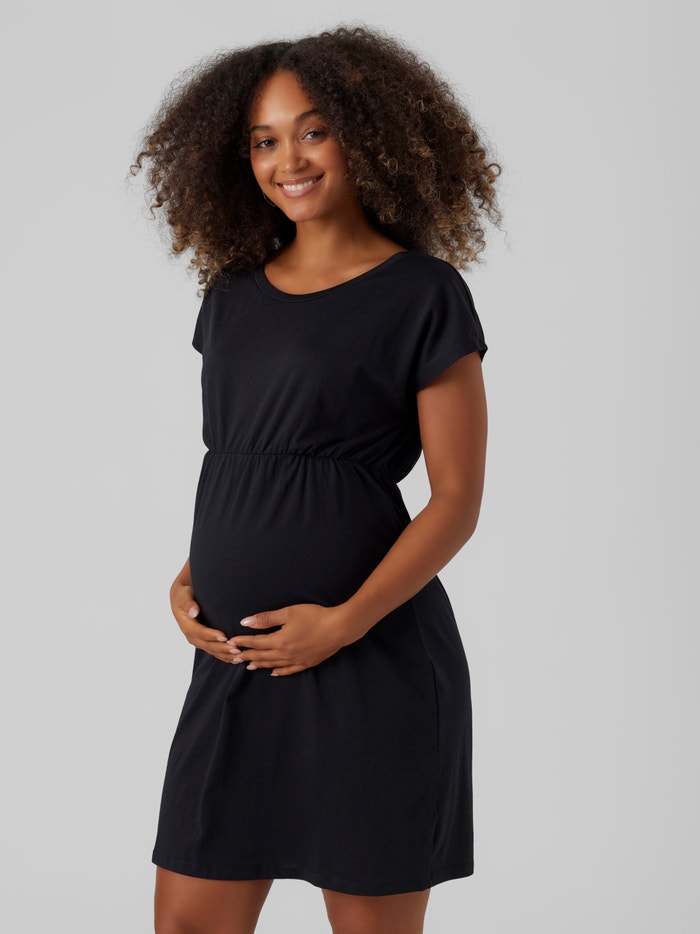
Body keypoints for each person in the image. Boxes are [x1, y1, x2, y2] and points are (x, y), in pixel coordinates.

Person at [130, 24, 502, 934]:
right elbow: (242, 461)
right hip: (237, 663)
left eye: (313, 131)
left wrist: (342, 623)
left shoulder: (422, 293)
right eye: (263, 140)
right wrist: (190, 578)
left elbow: (456, 501)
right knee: (185, 923)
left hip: (368, 663)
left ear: (367, 136)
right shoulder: (231, 295)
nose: (286, 160)